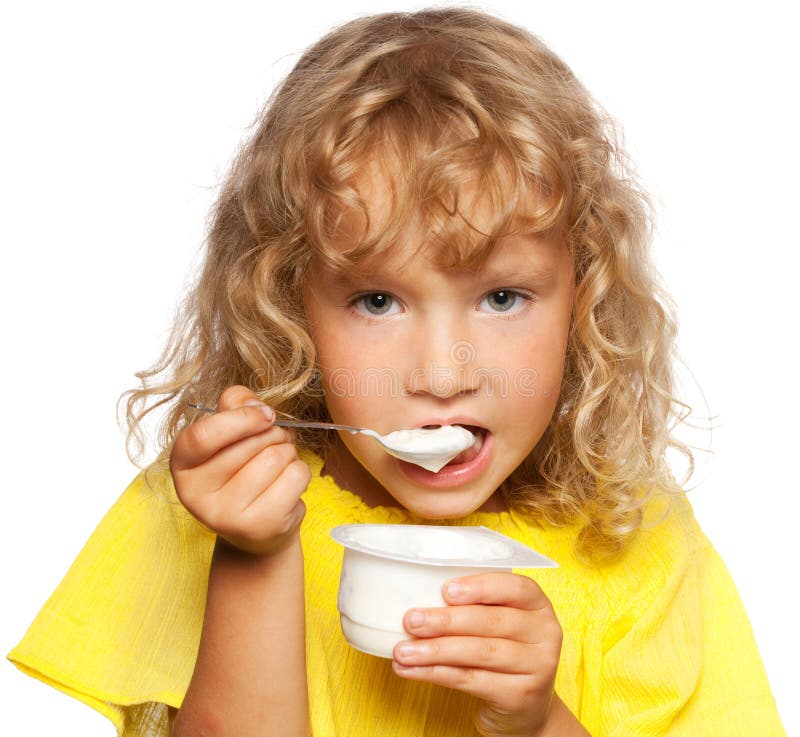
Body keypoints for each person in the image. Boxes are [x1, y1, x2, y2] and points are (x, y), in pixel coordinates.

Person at [8, 7, 786, 737]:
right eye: (377, 300)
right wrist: (257, 553)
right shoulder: (223, 500)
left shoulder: (629, 535)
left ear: (583, 298)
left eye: (503, 296)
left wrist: (539, 721)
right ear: (291, 303)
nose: (442, 375)